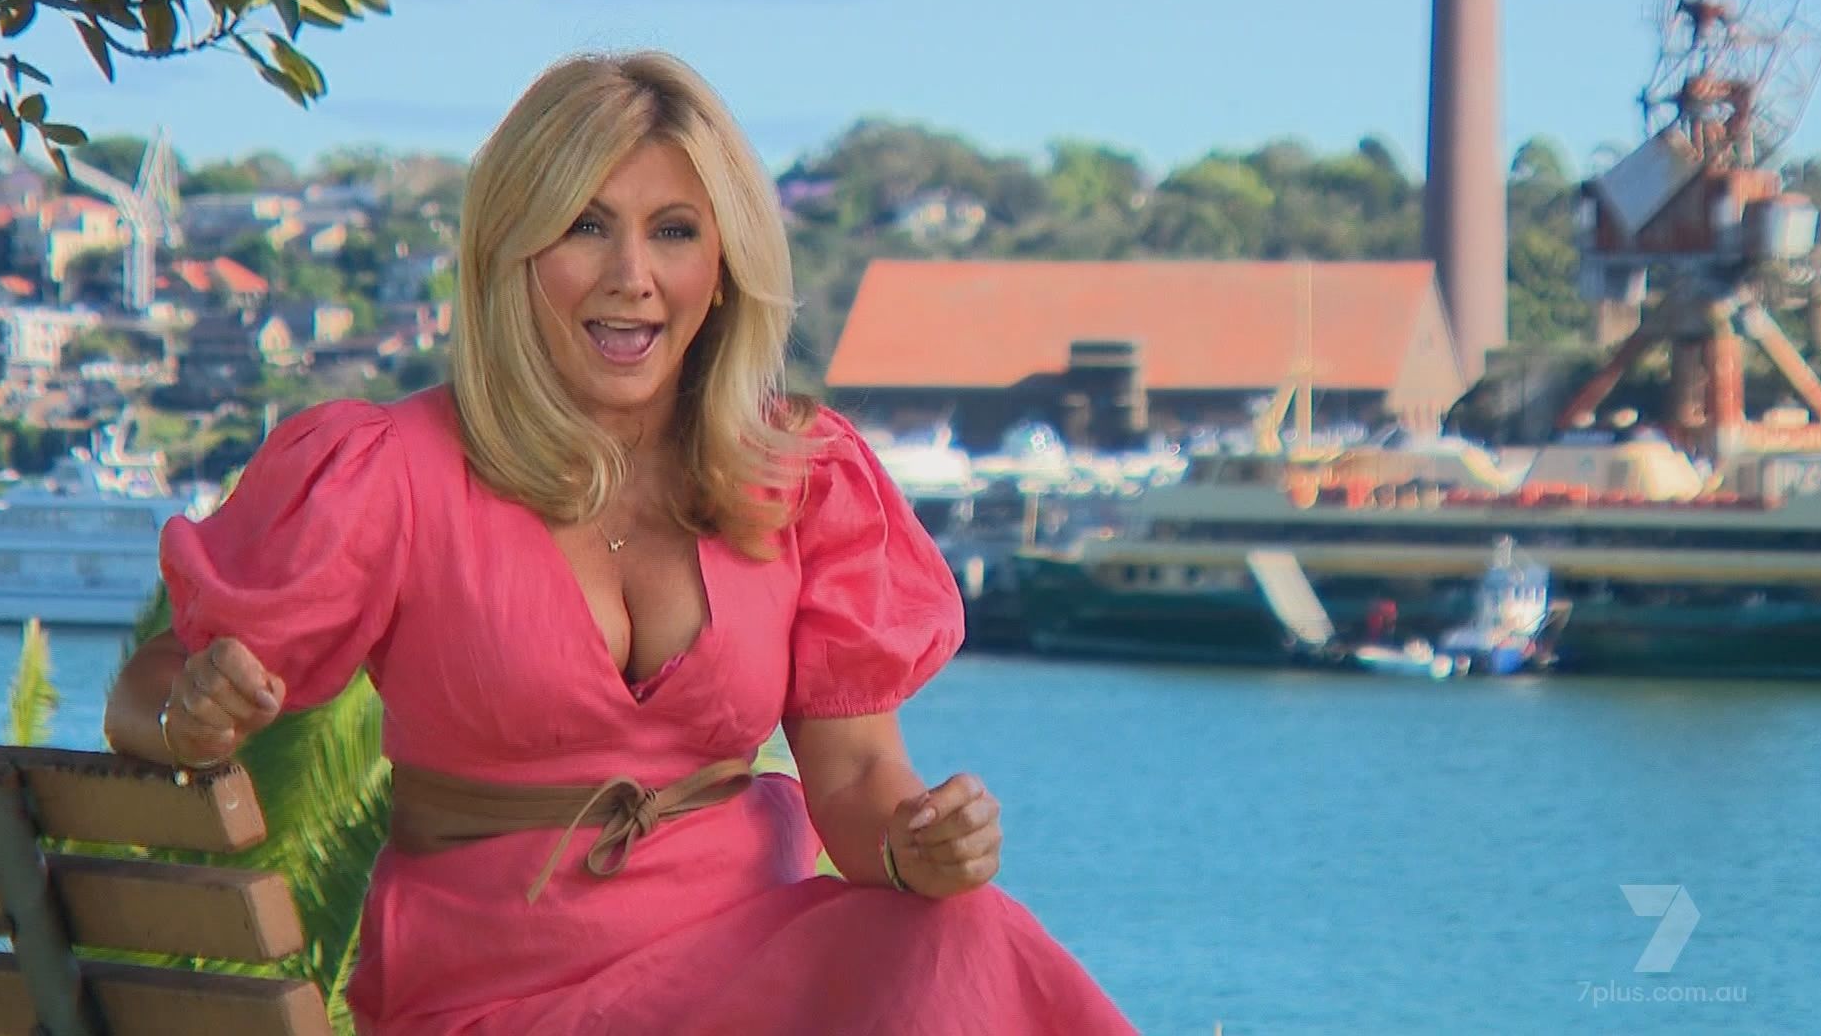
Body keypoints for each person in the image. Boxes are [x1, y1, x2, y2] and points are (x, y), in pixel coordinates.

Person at [103, 51, 1134, 1034]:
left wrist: (918, 847)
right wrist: (188, 715)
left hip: (752, 968)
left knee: (964, 934)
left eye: (674, 231)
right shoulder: (389, 473)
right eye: (586, 226)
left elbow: (860, 776)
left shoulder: (798, 475)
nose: (632, 275)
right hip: (497, 998)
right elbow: (141, 694)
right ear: (513, 252)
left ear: (722, 269)